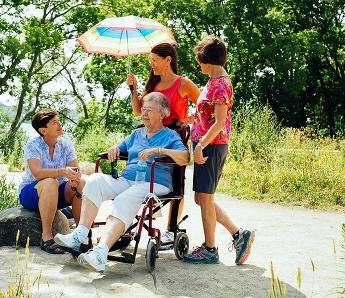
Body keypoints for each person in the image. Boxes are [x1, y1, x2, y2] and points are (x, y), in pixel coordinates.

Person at [53, 92, 189, 273]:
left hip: (154, 183)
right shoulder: (137, 133)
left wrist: (158, 150)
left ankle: (101, 253)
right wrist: (114, 148)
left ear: (163, 114)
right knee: (94, 180)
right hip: (127, 179)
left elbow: (185, 157)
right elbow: (120, 147)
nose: (145, 113)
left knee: (124, 199)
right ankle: (81, 234)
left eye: (149, 110)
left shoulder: (170, 136)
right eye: (143, 109)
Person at [183, 36, 254, 265]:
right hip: (205, 143)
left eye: (199, 59)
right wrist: (191, 119)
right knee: (200, 198)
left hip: (211, 145)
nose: (198, 63)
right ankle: (238, 234)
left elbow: (220, 121)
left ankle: (210, 249)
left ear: (207, 59)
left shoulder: (221, 83)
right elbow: (208, 114)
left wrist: (200, 145)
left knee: (205, 198)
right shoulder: (212, 82)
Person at [127, 43, 201, 249]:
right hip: (149, 136)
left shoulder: (183, 84)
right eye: (150, 61)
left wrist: (188, 119)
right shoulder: (152, 85)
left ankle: (171, 229)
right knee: (142, 175)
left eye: (154, 60)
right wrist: (133, 88)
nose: (151, 65)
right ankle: (129, 223)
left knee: (176, 183)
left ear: (168, 61)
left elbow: (205, 107)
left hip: (172, 139)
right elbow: (137, 111)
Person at [18, 110, 86, 254]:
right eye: (55, 122)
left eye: (59, 120)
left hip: (57, 193)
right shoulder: (33, 145)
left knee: (82, 183)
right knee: (50, 182)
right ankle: (46, 236)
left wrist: (74, 179)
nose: (60, 124)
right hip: (32, 193)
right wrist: (61, 172)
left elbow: (75, 169)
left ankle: (80, 236)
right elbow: (37, 173)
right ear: (43, 130)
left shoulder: (66, 144)